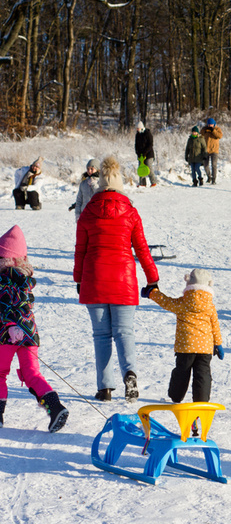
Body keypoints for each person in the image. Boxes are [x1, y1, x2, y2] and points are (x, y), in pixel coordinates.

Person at [74, 156, 159, 401]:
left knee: (101, 335)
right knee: (124, 332)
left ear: (99, 183)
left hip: (95, 279)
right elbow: (142, 248)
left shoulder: (88, 211)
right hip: (124, 281)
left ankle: (105, 388)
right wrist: (152, 278)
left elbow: (80, 249)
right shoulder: (131, 212)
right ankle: (129, 374)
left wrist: (78, 278)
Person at [0, 225, 69, 432]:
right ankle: (55, 407)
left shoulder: (5, 280)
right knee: (32, 374)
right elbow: (24, 306)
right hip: (29, 335)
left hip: (6, 334)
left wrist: (12, 325)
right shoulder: (25, 281)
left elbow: (11, 305)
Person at [144, 268, 223, 404]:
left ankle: (176, 396)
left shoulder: (182, 303)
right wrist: (218, 344)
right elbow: (215, 326)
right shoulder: (210, 306)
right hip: (205, 348)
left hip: (185, 347)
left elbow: (166, 302)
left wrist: (152, 293)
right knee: (203, 373)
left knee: (182, 371)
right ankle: (201, 400)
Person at [201, 118, 223, 185]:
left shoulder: (217, 129)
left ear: (214, 124)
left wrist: (213, 130)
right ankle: (209, 177)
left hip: (214, 150)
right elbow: (201, 133)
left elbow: (219, 136)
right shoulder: (205, 129)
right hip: (206, 150)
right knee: (205, 165)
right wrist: (205, 130)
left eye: (211, 124)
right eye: (209, 124)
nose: (210, 125)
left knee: (214, 165)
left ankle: (214, 179)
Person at [135, 122, 157, 187]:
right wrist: (138, 153)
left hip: (149, 155)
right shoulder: (137, 135)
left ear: (141, 128)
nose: (137, 130)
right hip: (140, 155)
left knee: (149, 168)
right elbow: (136, 145)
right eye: (137, 128)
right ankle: (142, 183)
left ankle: (153, 182)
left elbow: (150, 144)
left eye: (138, 128)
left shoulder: (148, 133)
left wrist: (145, 152)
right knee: (141, 168)